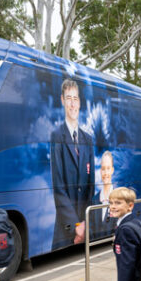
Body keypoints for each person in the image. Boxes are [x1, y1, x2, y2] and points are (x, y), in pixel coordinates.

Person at [50, 78, 95, 247]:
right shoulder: (56, 136)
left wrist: (84, 222)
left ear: (80, 103)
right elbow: (59, 188)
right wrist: (76, 225)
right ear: (62, 100)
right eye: (68, 98)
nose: (72, 104)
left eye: (75, 99)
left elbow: (91, 187)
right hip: (65, 227)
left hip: (84, 225)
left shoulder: (88, 140)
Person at [94, 150, 116, 236]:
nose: (105, 173)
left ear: (112, 170)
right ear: (100, 171)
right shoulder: (94, 199)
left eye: (108, 168)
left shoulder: (119, 199)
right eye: (103, 169)